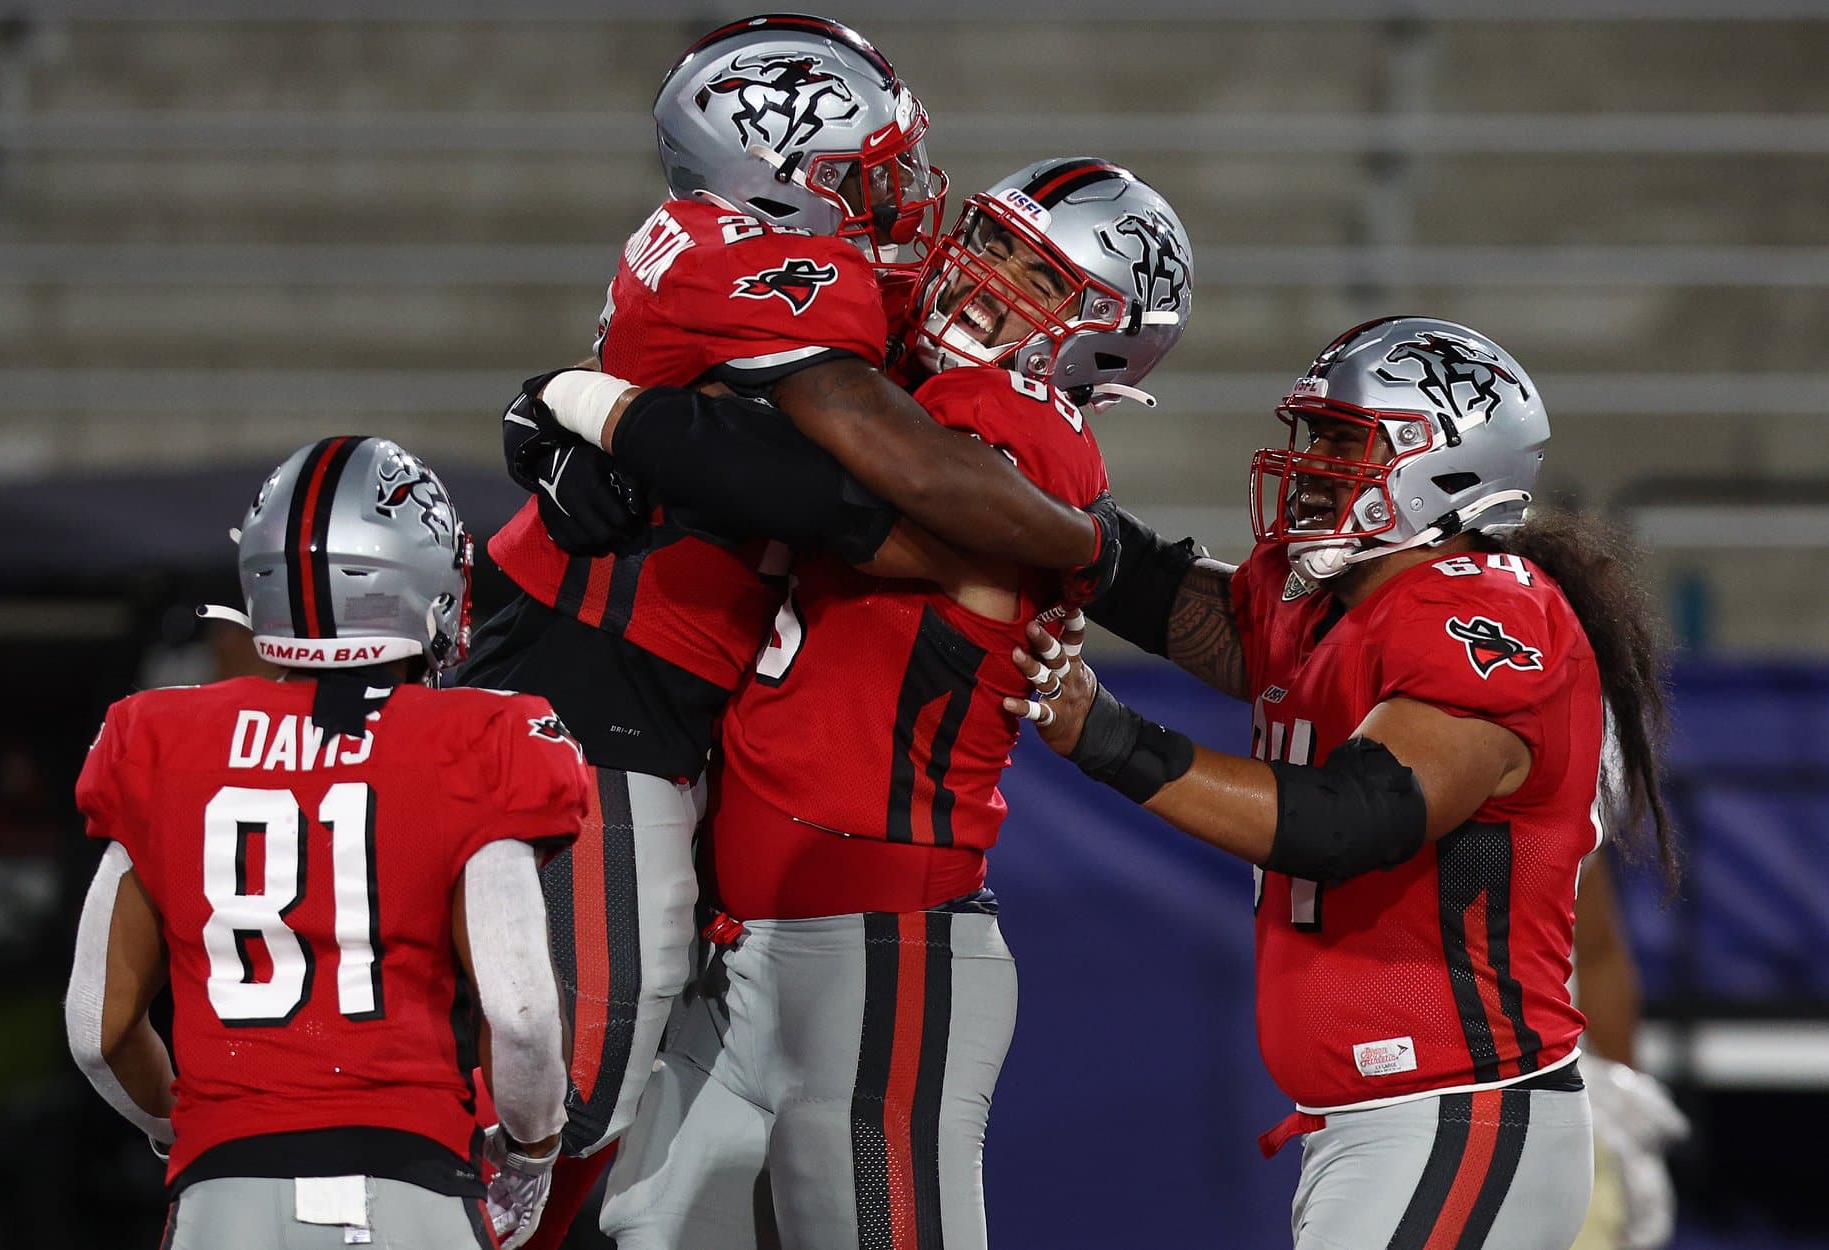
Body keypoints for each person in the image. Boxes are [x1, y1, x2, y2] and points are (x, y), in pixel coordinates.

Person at [460, 16, 1122, 1241]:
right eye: (867, 170)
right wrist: (1090, 548)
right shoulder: (759, 265)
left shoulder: (757, 251)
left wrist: (569, 402)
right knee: (580, 1068)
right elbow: (893, 467)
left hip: (639, 677)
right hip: (601, 677)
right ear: (782, 171)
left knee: (617, 1114)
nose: (906, 199)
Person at [546, 159, 1191, 1250]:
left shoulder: (1017, 422)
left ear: (1105, 335)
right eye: (989, 242)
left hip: (880, 944)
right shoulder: (915, 394)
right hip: (746, 940)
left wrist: (594, 403)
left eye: (1036, 272)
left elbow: (816, 483)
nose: (986, 280)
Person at [1011, 317, 1676, 1250]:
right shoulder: (1339, 598)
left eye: (1341, 440)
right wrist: (1021, 496)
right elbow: (1161, 592)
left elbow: (1350, 821)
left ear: (1442, 464)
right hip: (1388, 1120)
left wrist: (1103, 733)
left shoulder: (1484, 615)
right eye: (1315, 435)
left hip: (1458, 1108)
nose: (1313, 463)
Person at [64, 437, 588, 1250]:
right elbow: (520, 1017)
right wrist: (530, 1152)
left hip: (222, 1193)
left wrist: (186, 1127)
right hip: (406, 1181)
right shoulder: (481, 736)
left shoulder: (159, 737)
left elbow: (95, 1029)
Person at [1571, 850, 1689, 1250]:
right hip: (1404, 1104)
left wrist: (1624, 1117)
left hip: (1556, 1109)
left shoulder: (1574, 800)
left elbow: (1596, 951)